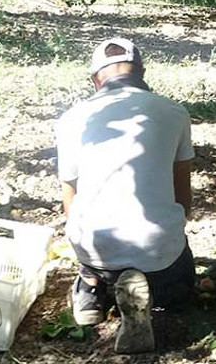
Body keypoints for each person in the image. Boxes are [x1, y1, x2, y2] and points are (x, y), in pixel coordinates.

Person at [55, 37, 195, 353]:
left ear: (95, 80)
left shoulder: (73, 118)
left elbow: (69, 202)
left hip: (95, 250)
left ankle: (90, 293)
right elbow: (183, 200)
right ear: (143, 74)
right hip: (158, 251)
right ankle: (160, 291)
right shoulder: (174, 112)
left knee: (89, 240)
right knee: (180, 286)